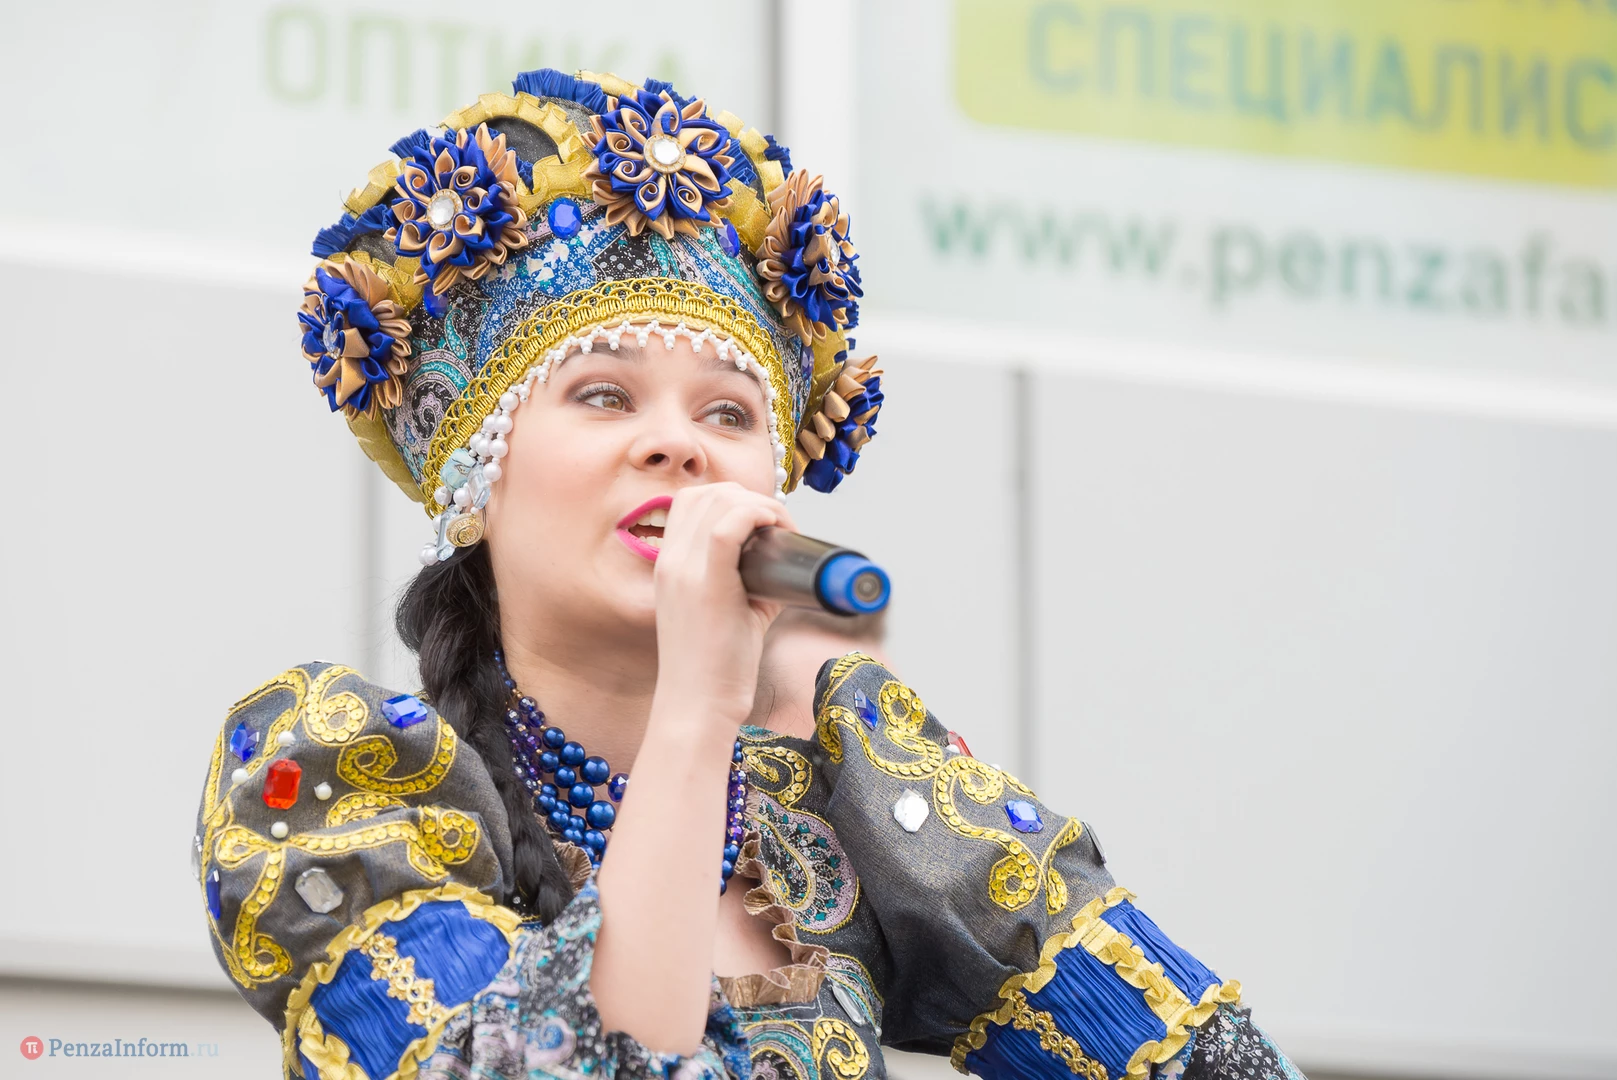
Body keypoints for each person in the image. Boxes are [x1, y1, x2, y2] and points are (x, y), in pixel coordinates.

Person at [193, 68, 1306, 1080]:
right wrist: (698, 706)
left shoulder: (838, 798)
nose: (679, 446)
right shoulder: (345, 788)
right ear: (474, 483)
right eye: (603, 395)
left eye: (727, 415)